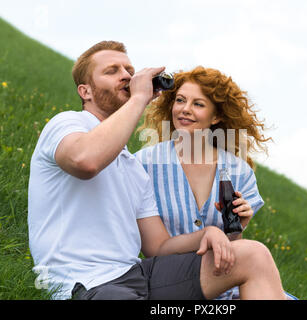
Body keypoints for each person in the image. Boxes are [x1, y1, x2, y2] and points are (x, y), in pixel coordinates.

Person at [28, 40, 286, 300]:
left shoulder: (132, 167)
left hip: (136, 275)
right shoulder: (68, 124)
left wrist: (210, 232)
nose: (126, 76)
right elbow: (85, 162)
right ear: (86, 92)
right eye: (112, 71)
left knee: (254, 255)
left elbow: (159, 247)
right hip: (85, 282)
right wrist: (140, 97)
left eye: (129, 70)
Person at [134, 66, 272, 300]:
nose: (185, 110)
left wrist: (238, 226)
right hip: (167, 281)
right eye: (180, 100)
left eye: (198, 104)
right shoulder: (145, 164)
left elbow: (228, 247)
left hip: (223, 279)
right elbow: (153, 248)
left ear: (216, 116)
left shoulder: (240, 172)